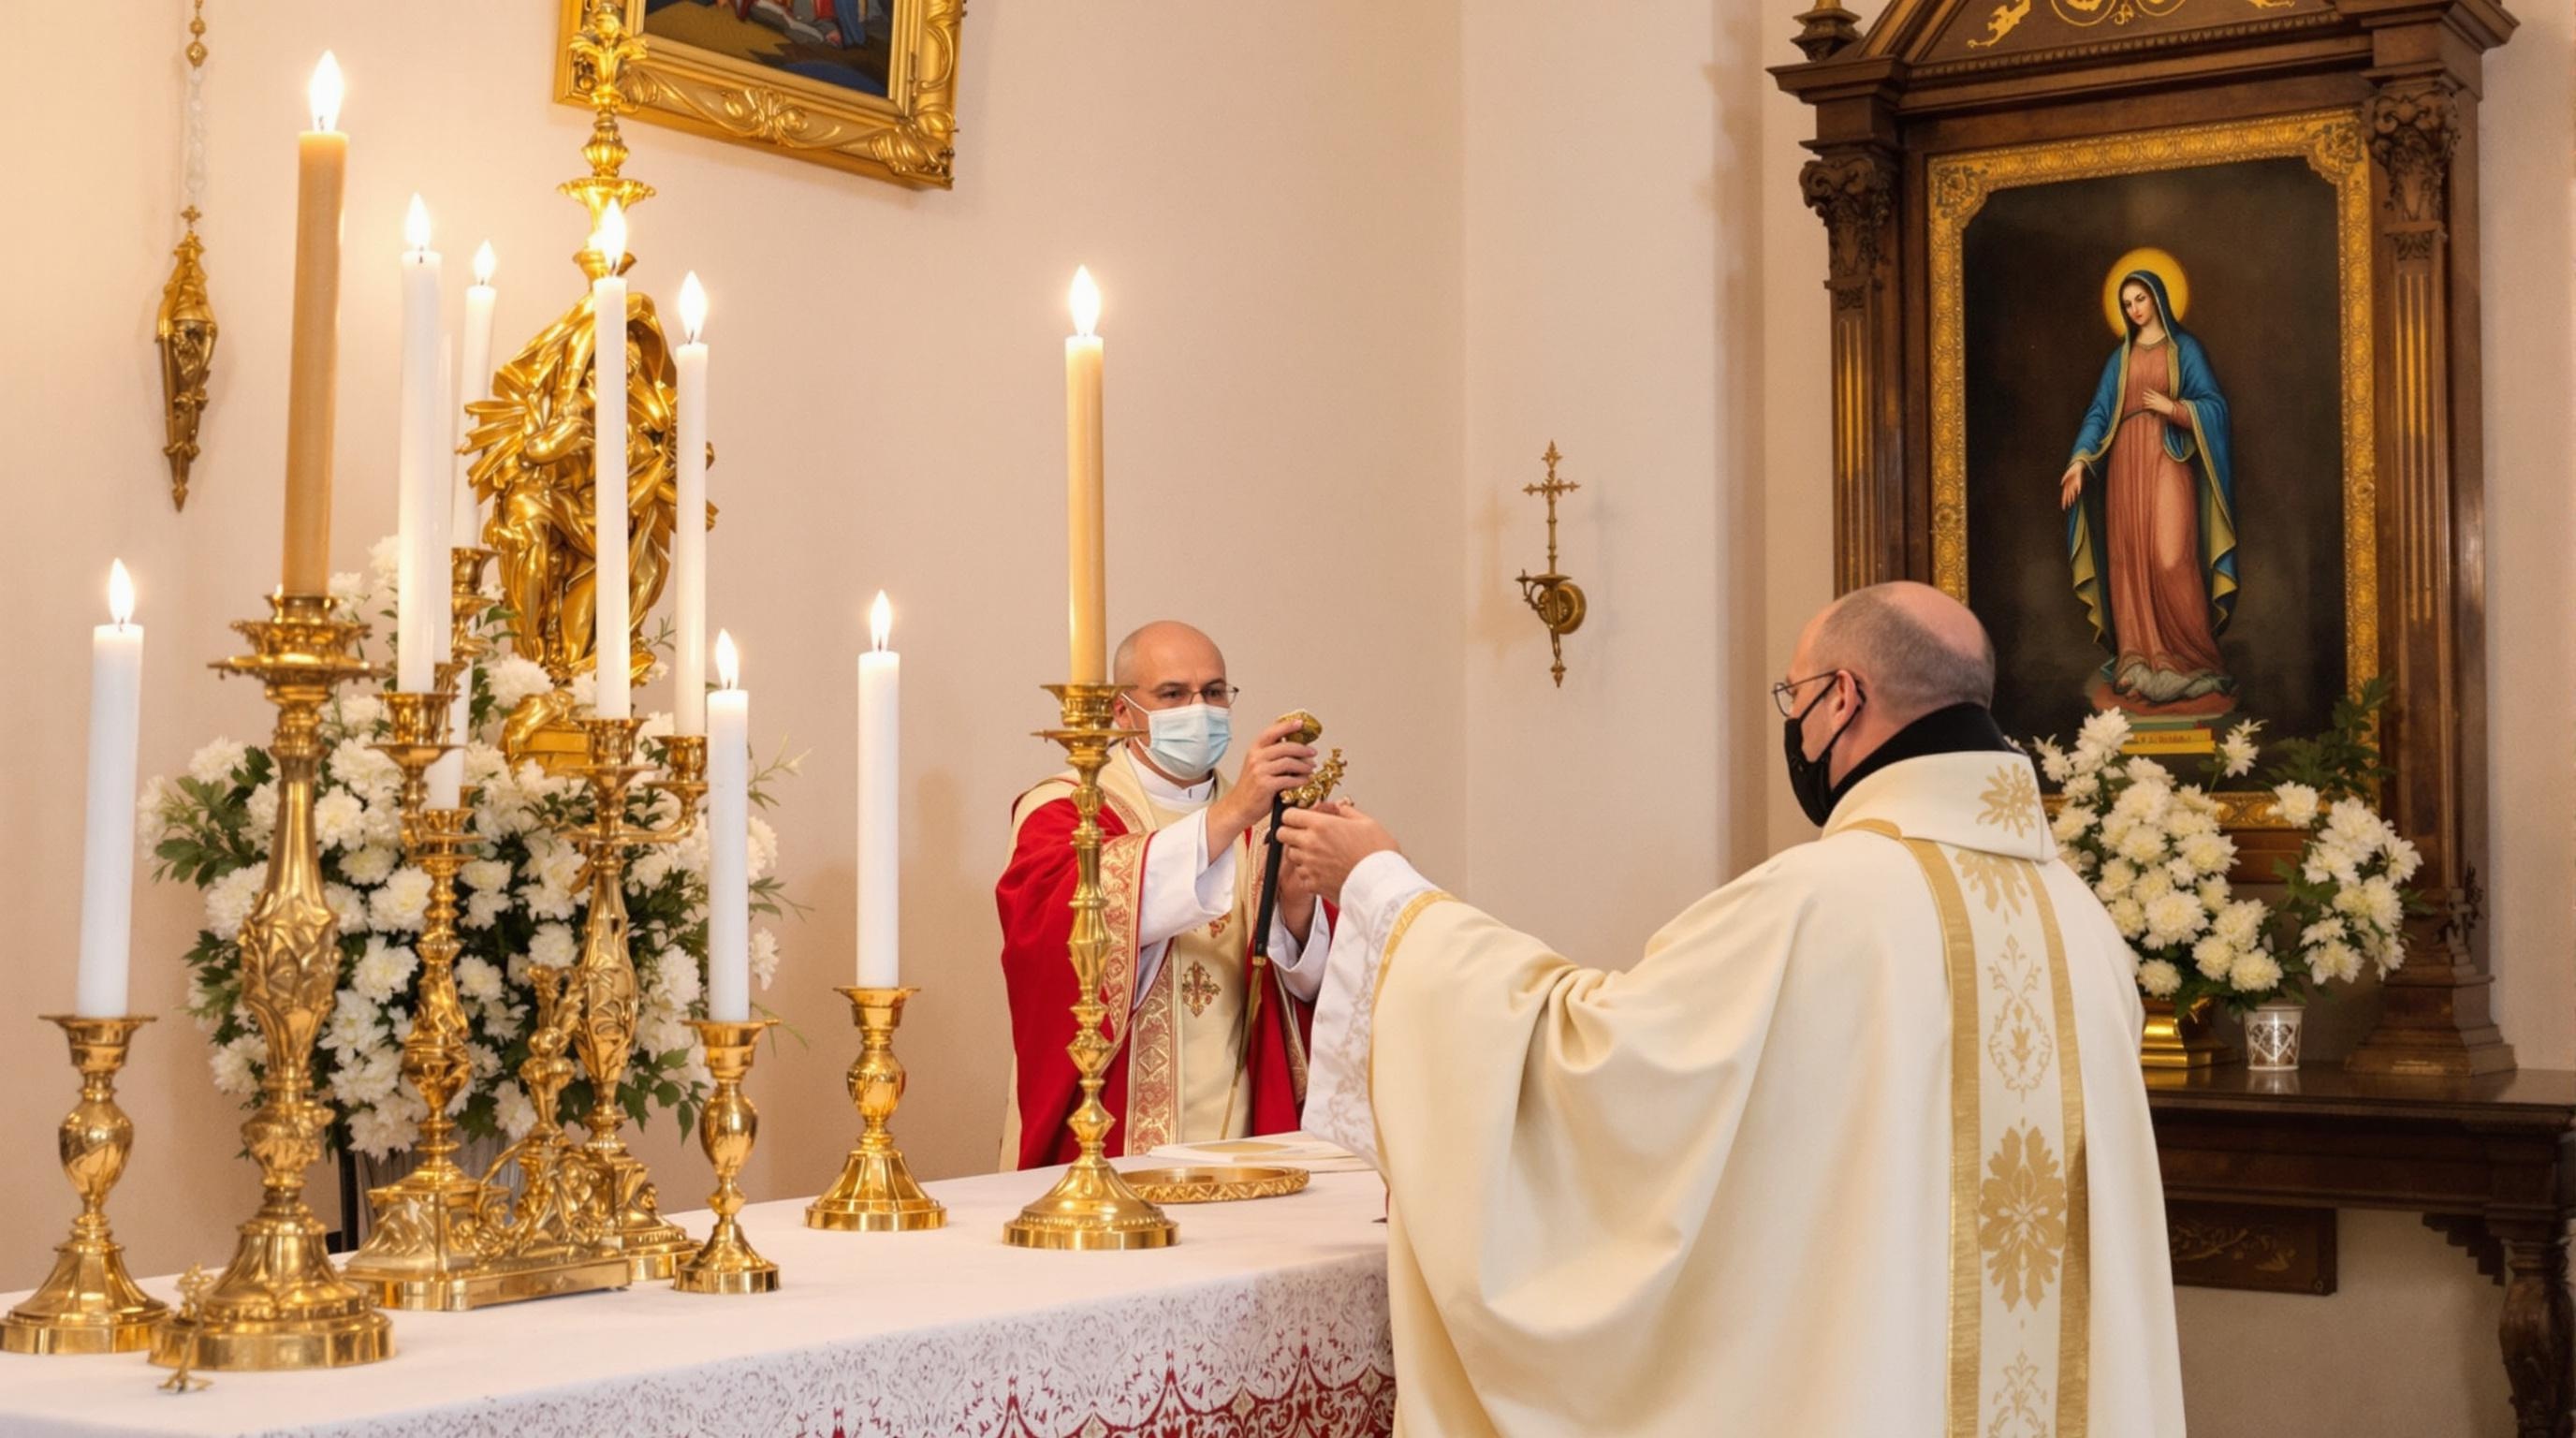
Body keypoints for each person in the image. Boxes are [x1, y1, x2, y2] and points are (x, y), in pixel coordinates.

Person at [1279, 582, 2185, 1437]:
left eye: (1791, 698)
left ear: (1842, 698)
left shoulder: (1822, 903)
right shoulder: (2080, 920)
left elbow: (1593, 1068)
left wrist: (1384, 887)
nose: (1791, 722)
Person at [995, 621, 1328, 1169]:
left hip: (1242, 1140)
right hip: (1113, 1142)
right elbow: (1068, 935)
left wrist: (1296, 908)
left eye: (1214, 692)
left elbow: (1309, 985)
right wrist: (1234, 812)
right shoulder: (1065, 810)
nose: (1200, 709)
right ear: (1123, 712)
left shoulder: (1266, 819)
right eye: (1173, 694)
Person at [2059, 267, 2238, 712]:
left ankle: (2191, 659)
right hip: (2124, 464)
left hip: (2166, 458)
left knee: (2170, 555)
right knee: (2130, 560)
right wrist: (2081, 459)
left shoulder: (2185, 350)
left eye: (2140, 299)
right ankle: (2140, 659)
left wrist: (2174, 408)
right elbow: (2100, 412)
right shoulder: (2120, 359)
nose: (2134, 309)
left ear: (2158, 298)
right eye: (2127, 303)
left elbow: (2214, 407)